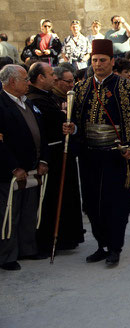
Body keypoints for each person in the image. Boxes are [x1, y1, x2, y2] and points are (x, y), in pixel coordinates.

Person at [63, 39, 130, 267]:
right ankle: (101, 244)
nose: (98, 64)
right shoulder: (81, 88)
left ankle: (115, 247)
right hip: (90, 154)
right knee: (91, 203)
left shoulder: (126, 87)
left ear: (111, 62)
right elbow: (78, 121)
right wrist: (73, 128)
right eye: (94, 60)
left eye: (102, 60)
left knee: (114, 203)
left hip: (116, 154)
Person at [26, 63, 84, 255]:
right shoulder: (35, 99)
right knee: (50, 201)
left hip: (61, 153)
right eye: (51, 75)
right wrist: (62, 115)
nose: (54, 78)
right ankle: (49, 240)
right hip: (51, 156)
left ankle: (67, 237)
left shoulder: (47, 96)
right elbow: (55, 120)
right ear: (41, 78)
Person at [0, 65, 49, 270]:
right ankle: (7, 256)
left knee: (29, 210)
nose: (28, 83)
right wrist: (13, 167)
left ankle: (28, 248)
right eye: (24, 79)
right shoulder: (1, 103)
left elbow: (41, 131)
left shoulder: (27, 101)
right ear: (12, 82)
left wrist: (43, 160)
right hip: (11, 171)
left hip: (32, 166)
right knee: (9, 212)